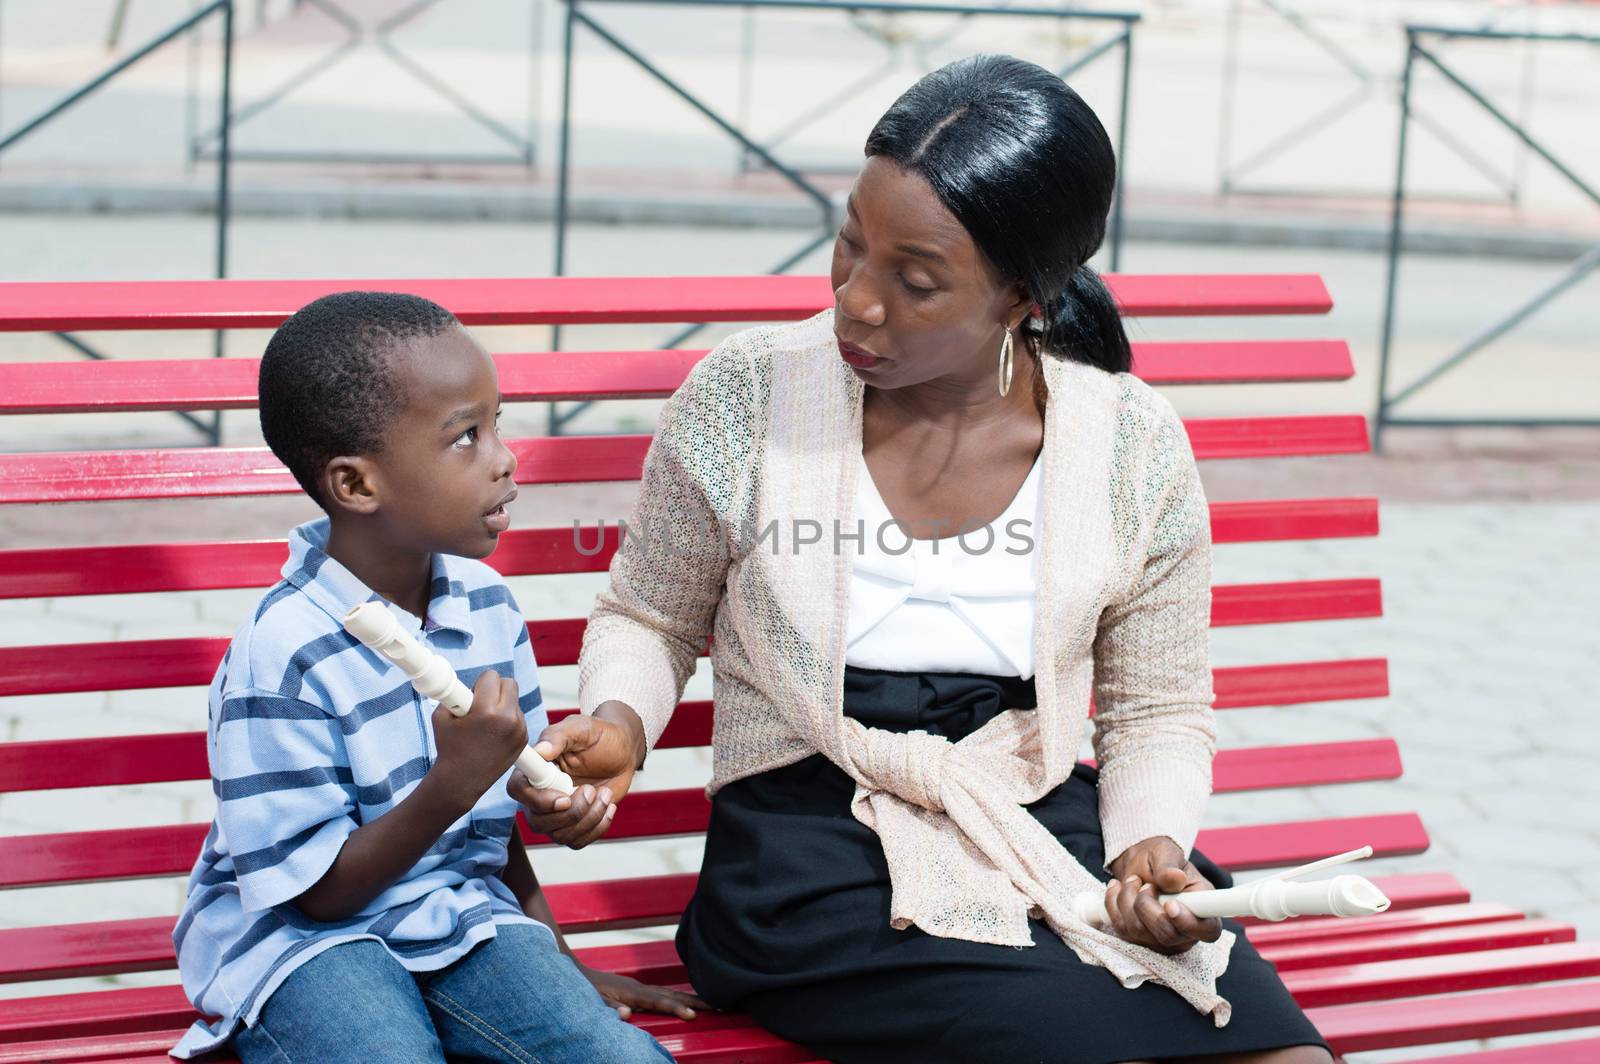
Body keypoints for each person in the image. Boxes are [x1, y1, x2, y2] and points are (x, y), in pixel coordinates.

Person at [513, 56, 1335, 1063]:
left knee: (1281, 1050)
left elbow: (1158, 705)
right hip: (810, 848)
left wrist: (1148, 844)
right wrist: (617, 719)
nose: (856, 302)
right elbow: (650, 612)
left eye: (915, 282)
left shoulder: (1129, 442)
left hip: (1031, 810)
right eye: (849, 244)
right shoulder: (749, 395)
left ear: (1024, 298)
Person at [170, 292, 701, 1062]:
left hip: (454, 916)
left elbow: (490, 841)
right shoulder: (280, 652)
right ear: (356, 486)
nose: (505, 457)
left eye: (497, 424)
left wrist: (559, 958)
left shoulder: (485, 606)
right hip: (298, 947)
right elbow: (316, 897)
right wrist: (453, 783)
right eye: (466, 438)